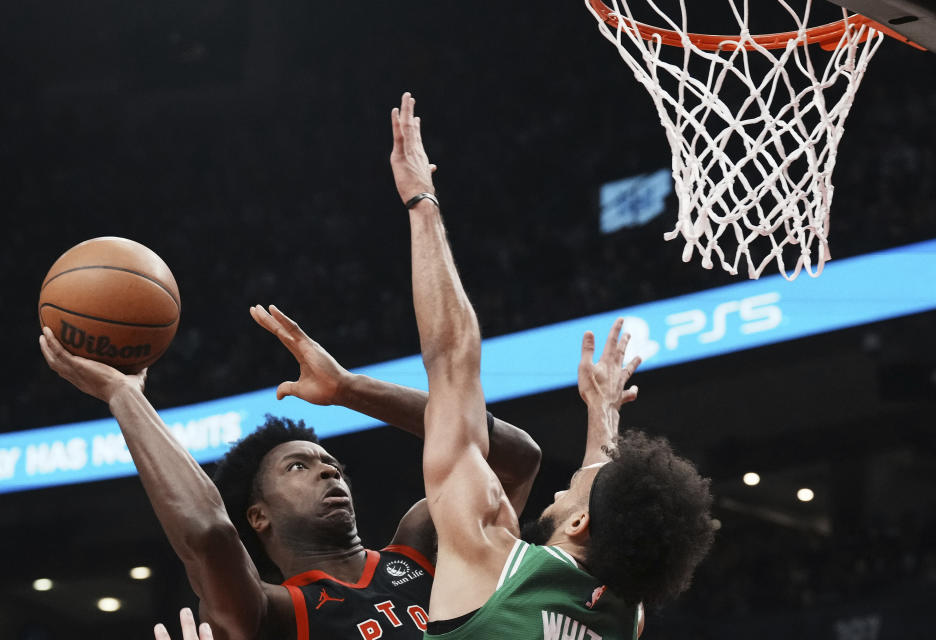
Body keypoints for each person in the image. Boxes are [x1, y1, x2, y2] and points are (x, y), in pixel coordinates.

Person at [389, 91, 715, 638]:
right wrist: (602, 413)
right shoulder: (622, 616)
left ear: (582, 522)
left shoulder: (490, 552)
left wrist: (421, 201)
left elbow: (452, 359)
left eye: (577, 490)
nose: (568, 484)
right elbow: (603, 489)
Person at [39, 304, 540, 638]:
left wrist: (348, 389)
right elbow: (211, 533)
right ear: (258, 516)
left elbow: (515, 459)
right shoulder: (275, 613)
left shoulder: (419, 547)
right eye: (298, 466)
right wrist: (125, 395)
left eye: (332, 465)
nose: (329, 474)